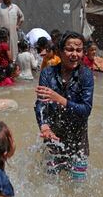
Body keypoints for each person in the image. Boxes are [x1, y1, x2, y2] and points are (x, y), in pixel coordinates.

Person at [35, 31, 94, 181]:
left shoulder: (86, 75)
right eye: (70, 49)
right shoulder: (47, 74)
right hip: (53, 138)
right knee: (50, 185)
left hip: (78, 141)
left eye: (79, 50)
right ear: (60, 51)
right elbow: (41, 103)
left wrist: (60, 99)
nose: (74, 54)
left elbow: (86, 110)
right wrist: (44, 126)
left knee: (78, 186)